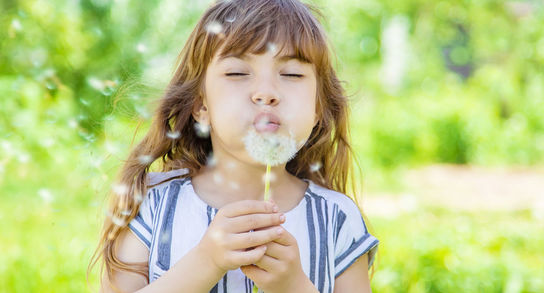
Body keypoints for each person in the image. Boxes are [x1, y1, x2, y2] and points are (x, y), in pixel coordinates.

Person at [89, 0, 379, 292]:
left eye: (291, 74)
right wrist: (206, 262)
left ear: (318, 107)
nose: (266, 93)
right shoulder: (151, 204)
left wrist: (294, 286)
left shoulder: (337, 218)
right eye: (238, 73)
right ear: (201, 105)